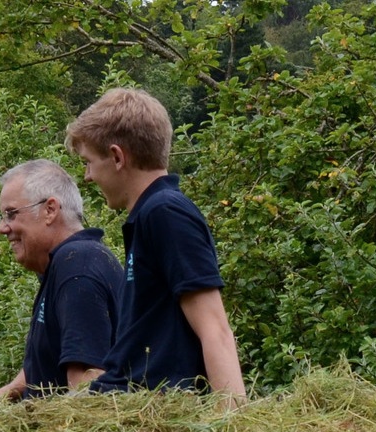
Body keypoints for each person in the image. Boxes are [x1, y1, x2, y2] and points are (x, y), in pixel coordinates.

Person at [65, 88, 246, 399]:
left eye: (89, 162)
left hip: (153, 411)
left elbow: (215, 329)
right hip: (125, 402)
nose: (87, 177)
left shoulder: (166, 212)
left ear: (118, 156)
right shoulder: (149, 214)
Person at [0, 159, 125, 401]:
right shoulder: (66, 263)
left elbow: (86, 383)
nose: (2, 228)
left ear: (50, 210)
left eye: (11, 214)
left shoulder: (77, 267)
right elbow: (32, 376)